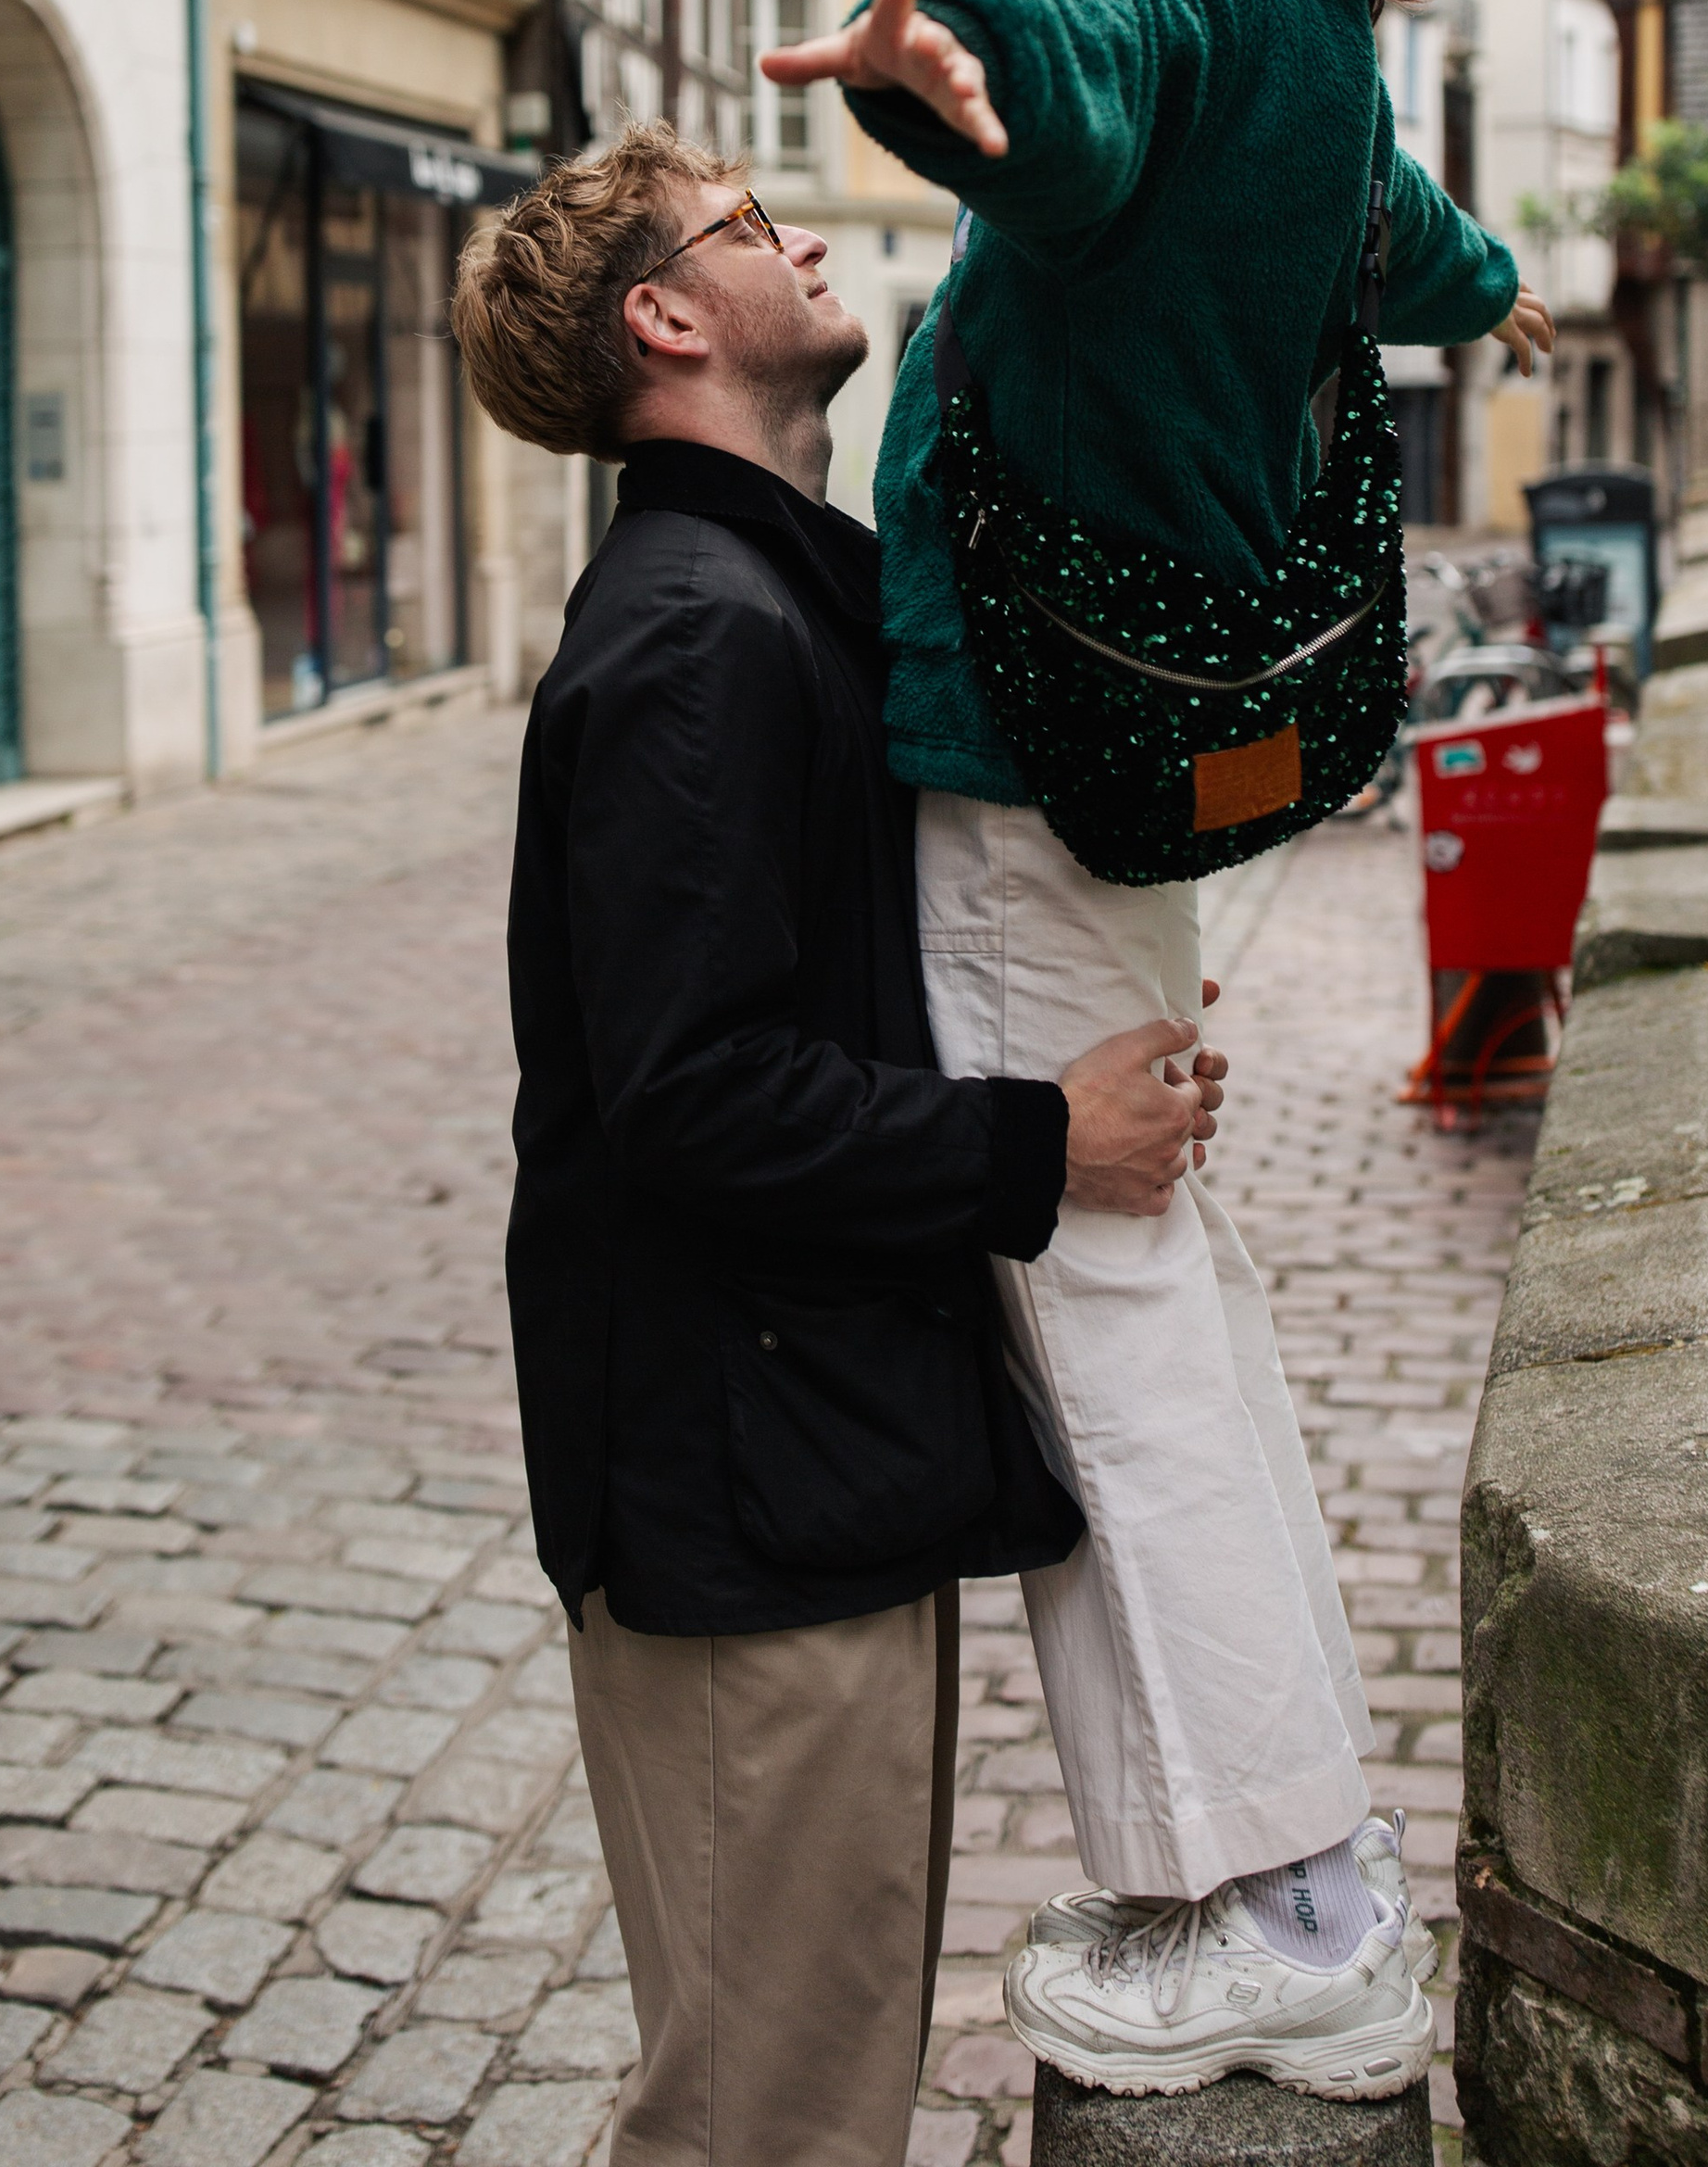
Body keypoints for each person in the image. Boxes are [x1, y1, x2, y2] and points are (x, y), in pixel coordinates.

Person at [762, 0, 1552, 2105]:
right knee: (1155, 1273)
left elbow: (1079, 83)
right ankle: (1285, 1857)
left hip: (1035, 757)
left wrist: (951, 31)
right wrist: (1470, 293)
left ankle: (1288, 1904)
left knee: (1102, 1283)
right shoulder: (1320, 42)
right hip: (1176, 750)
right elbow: (1435, 258)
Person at [448, 125, 1226, 2167]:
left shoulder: (769, 594)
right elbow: (693, 1094)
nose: (796, 236)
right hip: (741, 1493)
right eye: (745, 224)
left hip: (805, 1451)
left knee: (809, 2082)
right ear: (668, 316)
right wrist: (1034, 1139)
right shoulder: (700, 630)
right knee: (760, 2119)